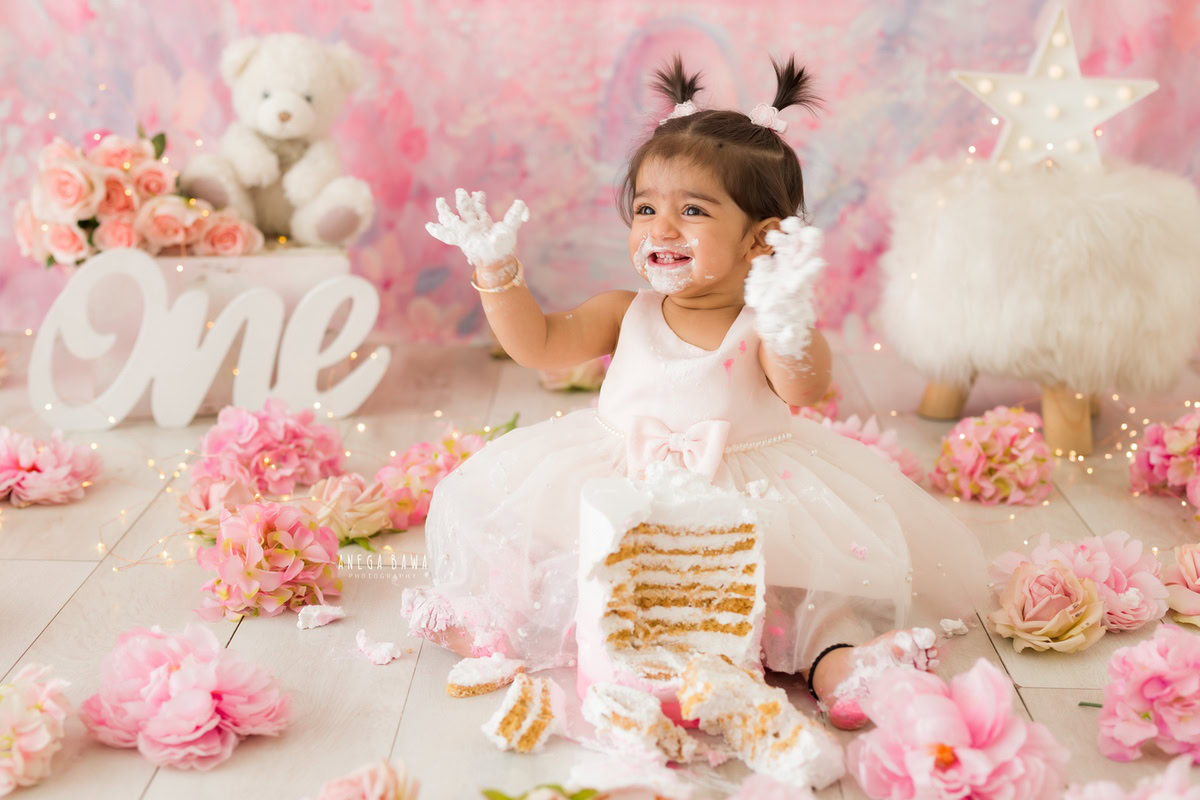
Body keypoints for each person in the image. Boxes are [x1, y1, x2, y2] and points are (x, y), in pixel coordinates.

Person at [403, 55, 987, 730]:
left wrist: (787, 317)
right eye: (646, 208)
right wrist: (496, 271)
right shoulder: (625, 311)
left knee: (799, 596)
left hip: (747, 495)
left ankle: (841, 667)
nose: (660, 228)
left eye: (693, 211)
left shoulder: (764, 324)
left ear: (760, 240)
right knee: (577, 568)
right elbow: (537, 344)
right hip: (619, 481)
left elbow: (808, 384)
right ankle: (495, 621)